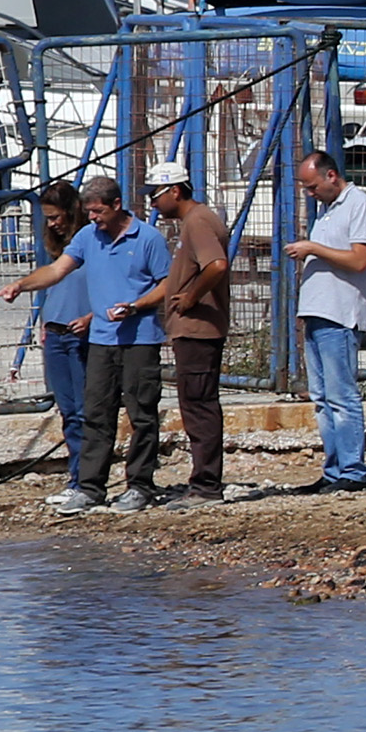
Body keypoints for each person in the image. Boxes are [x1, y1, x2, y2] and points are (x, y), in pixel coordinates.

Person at [0, 171, 173, 512]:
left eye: (97, 212)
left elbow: (167, 285)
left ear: (116, 205)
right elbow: (57, 269)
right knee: (96, 414)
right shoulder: (89, 237)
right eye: (88, 212)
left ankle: (140, 485)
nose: (91, 218)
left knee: (142, 414)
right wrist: (21, 284)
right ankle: (90, 487)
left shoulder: (148, 238)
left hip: (139, 340)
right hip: (103, 341)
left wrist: (136, 306)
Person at [144, 160, 245, 504]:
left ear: (175, 190)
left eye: (155, 195)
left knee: (199, 406)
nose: (152, 204)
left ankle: (206, 485)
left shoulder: (199, 221)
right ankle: (204, 483)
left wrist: (190, 296)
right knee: (196, 403)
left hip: (199, 330)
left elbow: (216, 265)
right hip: (194, 329)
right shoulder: (194, 221)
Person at [285, 147, 366, 493]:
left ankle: (353, 471)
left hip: (339, 314)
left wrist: (313, 248)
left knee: (341, 397)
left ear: (331, 175)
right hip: (317, 312)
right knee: (323, 398)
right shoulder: (326, 210)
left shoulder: (359, 205)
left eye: (312, 186)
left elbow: (358, 260)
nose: (310, 194)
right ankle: (334, 469)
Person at [28, 180, 94, 512]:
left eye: (56, 217)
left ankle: (86, 481)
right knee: (68, 411)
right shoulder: (58, 247)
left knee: (83, 412)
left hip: (81, 332)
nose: (52, 224)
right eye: (47, 218)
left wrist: (92, 317)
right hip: (55, 331)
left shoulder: (91, 241)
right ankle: (76, 479)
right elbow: (53, 282)